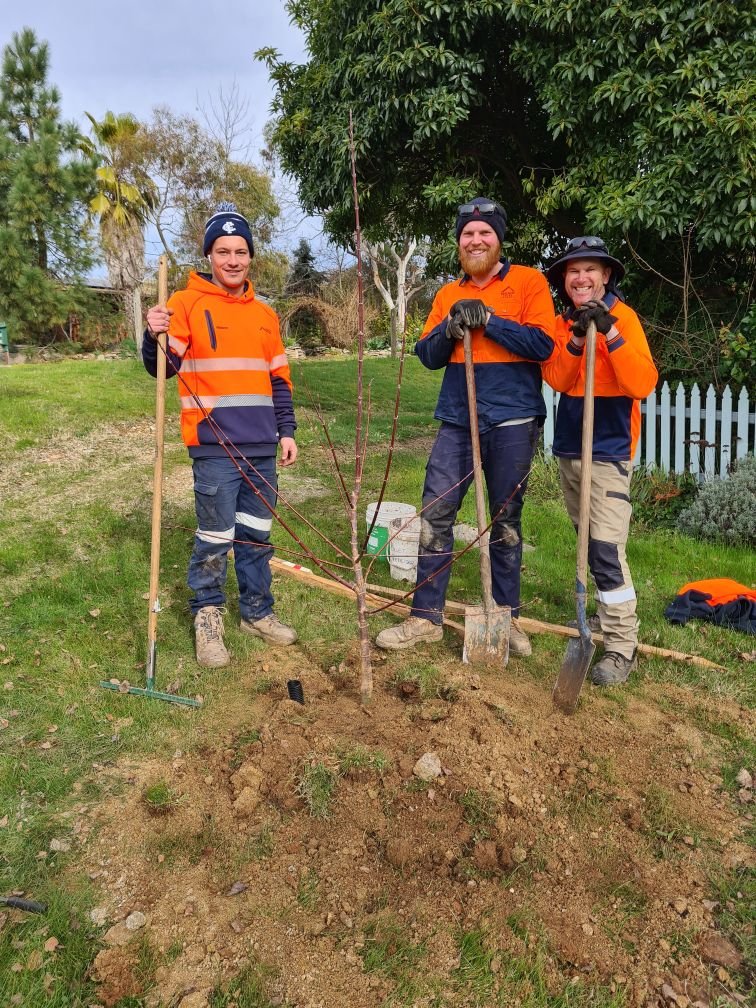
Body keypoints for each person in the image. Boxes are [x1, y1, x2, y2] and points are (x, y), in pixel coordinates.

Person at [376, 198, 556, 655]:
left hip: (513, 418)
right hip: (459, 419)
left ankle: (506, 617)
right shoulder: (446, 295)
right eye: (467, 235)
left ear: (499, 239)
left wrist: (489, 321)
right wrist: (451, 329)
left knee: (504, 520)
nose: (475, 241)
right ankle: (424, 618)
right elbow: (428, 355)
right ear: (459, 244)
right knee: (436, 513)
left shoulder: (529, 283)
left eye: (484, 233)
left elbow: (541, 344)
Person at [143, 202, 298, 668]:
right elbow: (163, 370)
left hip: (262, 447)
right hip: (213, 447)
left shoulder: (265, 315)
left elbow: (279, 380)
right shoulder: (185, 304)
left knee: (256, 536)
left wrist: (286, 431)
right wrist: (152, 336)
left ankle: (256, 611)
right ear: (209, 255)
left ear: (251, 256)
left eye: (241, 251)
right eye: (223, 251)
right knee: (215, 536)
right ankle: (207, 618)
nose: (233, 260)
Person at [542, 236, 658, 685]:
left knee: (606, 549)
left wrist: (608, 332)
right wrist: (574, 340)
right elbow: (555, 376)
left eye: (590, 269)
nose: (581, 277)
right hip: (571, 448)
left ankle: (621, 645)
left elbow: (642, 382)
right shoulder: (561, 322)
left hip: (607, 450)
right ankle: (605, 609)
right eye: (573, 271)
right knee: (588, 541)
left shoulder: (624, 318)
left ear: (606, 275)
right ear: (566, 280)